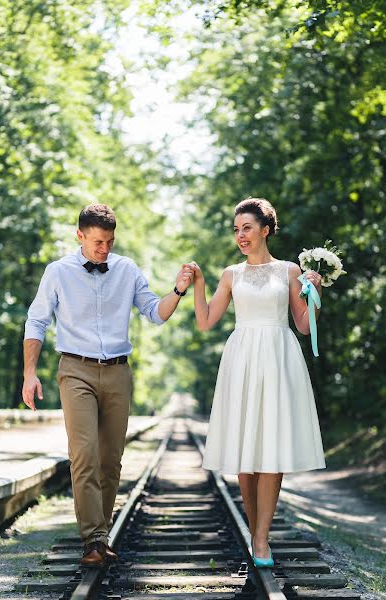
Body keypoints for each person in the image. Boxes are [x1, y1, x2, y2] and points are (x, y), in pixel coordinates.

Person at [22, 204, 193, 567]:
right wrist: (29, 373)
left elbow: (154, 313)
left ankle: (101, 534)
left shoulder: (127, 269)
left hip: (117, 372)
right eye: (98, 242)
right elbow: (36, 321)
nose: (105, 249)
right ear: (80, 235)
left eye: (110, 242)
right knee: (84, 454)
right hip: (75, 370)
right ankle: (94, 540)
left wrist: (177, 291)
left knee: (110, 460)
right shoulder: (58, 272)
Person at [189, 197, 325, 568]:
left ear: (265, 229)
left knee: (271, 450)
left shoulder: (289, 271)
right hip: (243, 358)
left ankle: (261, 539)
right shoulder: (231, 274)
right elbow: (205, 321)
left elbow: (301, 324)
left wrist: (315, 291)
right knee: (245, 460)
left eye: (246, 228)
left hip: (279, 356)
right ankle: (255, 530)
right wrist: (199, 283)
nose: (240, 235)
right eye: (236, 230)